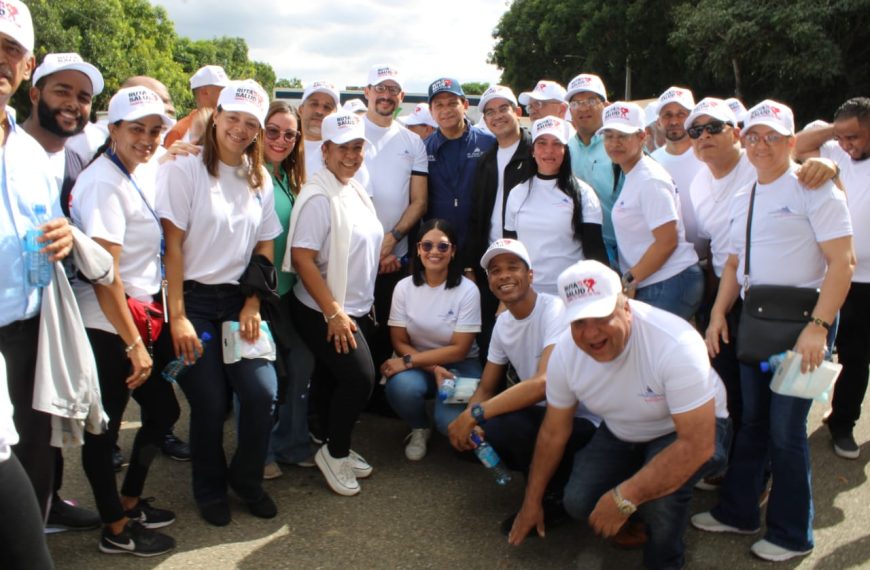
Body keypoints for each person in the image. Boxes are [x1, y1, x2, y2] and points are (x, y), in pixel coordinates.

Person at [692, 100, 854, 562]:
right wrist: (719, 313)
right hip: (756, 321)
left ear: (790, 141)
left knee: (786, 432)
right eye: (755, 136)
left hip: (804, 323)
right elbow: (731, 262)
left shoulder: (814, 187)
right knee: (754, 422)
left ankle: (791, 533)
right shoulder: (746, 195)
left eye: (773, 137)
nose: (762, 145)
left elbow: (843, 263)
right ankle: (738, 510)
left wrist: (818, 328)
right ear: (745, 139)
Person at [509, 260, 730, 570]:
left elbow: (698, 444)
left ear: (626, 306)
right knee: (577, 501)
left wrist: (625, 496)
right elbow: (553, 432)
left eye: (601, 316)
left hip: (685, 430)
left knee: (661, 503)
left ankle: (664, 558)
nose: (591, 333)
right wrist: (531, 502)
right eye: (578, 322)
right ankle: (636, 513)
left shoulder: (674, 343)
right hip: (621, 429)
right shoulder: (564, 355)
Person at [157, 79, 282, 526]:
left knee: (263, 392)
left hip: (238, 303)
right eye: (233, 118)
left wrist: (252, 304)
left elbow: (265, 247)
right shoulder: (184, 168)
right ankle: (209, 488)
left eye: (252, 123)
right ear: (217, 117)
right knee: (209, 403)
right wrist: (178, 317)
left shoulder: (258, 176)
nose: (241, 129)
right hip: (192, 301)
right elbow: (172, 247)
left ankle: (246, 481)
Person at [70, 85, 178, 556]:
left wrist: (180, 144)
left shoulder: (135, 168)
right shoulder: (102, 183)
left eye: (156, 131)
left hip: (133, 319)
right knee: (105, 429)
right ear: (112, 128)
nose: (148, 139)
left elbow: (182, 136)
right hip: (107, 325)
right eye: (137, 129)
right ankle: (115, 528)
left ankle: (128, 501)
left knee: (164, 411)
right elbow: (103, 274)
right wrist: (134, 344)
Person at [448, 239, 598, 534]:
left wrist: (475, 414)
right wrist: (468, 419)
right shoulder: (503, 325)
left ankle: (550, 495)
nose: (503, 275)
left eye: (513, 267)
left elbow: (545, 383)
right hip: (543, 416)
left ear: (531, 275)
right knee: (466, 438)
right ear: (489, 281)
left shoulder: (554, 309)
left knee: (509, 424)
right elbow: (487, 387)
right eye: (495, 270)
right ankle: (547, 478)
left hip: (582, 420)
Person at [20, 51, 103, 532]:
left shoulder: (74, 156)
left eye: (83, 97)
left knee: (45, 426)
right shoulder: (14, 152)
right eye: (61, 91)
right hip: (18, 315)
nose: (73, 104)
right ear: (34, 94)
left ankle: (47, 504)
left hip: (58, 306)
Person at [0, 0, 76, 522]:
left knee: (31, 457)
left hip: (28, 331)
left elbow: (49, 227)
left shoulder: (29, 151)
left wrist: (65, 237)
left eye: (11, 49)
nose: (1, 59)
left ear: (26, 65)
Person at [284, 112, 383, 497]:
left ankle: (330, 440)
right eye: (343, 147)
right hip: (321, 309)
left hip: (353, 306)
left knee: (335, 379)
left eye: (358, 147)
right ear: (324, 150)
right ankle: (335, 453)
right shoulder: (318, 197)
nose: (352, 155)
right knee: (360, 379)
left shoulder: (352, 187)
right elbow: (303, 257)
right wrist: (334, 313)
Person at [794, 96, 870, 459]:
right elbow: (796, 144)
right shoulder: (833, 150)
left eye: (854, 136)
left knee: (857, 355)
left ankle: (843, 423)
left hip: (868, 280)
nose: (846, 145)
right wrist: (836, 131)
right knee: (815, 350)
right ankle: (793, 424)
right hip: (830, 273)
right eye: (842, 137)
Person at [381, 219, 482, 459]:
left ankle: (442, 412)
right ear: (417, 249)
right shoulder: (404, 288)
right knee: (401, 387)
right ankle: (419, 427)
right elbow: (399, 341)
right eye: (427, 246)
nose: (434, 252)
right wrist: (433, 367)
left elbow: (459, 350)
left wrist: (408, 362)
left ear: (453, 251)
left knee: (448, 424)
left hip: (461, 364)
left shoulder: (468, 290)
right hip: (418, 362)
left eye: (442, 246)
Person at [600, 101, 702, 320]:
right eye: (609, 136)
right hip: (659, 281)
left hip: (669, 281)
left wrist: (630, 278)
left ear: (642, 137)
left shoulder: (649, 179)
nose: (615, 143)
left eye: (623, 135)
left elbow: (667, 242)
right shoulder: (635, 174)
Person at [260, 100, 315, 480]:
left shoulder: (287, 178)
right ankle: (260, 453)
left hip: (288, 294)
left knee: (300, 364)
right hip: (257, 295)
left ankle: (291, 444)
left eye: (290, 134)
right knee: (263, 375)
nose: (281, 140)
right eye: (273, 131)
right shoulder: (249, 174)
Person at [360, 64, 428, 373]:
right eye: (380, 88)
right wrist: (374, 248)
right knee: (351, 328)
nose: (386, 96)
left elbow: (419, 201)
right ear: (367, 92)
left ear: (401, 97)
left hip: (394, 258)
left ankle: (373, 397)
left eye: (393, 90)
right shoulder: (349, 131)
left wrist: (392, 240)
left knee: (386, 330)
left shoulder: (412, 142)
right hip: (355, 254)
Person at [465, 85, 534, 358]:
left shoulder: (535, 153)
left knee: (525, 335)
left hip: (526, 261)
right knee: (492, 335)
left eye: (503, 108)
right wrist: (472, 264)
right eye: (489, 112)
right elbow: (477, 215)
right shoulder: (486, 160)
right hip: (491, 260)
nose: (497, 116)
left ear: (517, 112)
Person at [504, 116, 608, 295]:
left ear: (565, 150)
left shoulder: (583, 193)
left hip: (572, 291)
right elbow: (510, 249)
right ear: (532, 150)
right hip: (528, 294)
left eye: (557, 144)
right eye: (542, 143)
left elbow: (595, 250)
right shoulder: (517, 193)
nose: (548, 151)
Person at [424, 77, 495, 250]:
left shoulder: (489, 143)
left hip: (482, 242)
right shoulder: (423, 148)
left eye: (452, 103)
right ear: (431, 111)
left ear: (465, 105)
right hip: (440, 247)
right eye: (439, 105)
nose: (446, 110)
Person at [564, 73, 622, 266]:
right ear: (569, 111)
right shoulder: (565, 150)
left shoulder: (622, 144)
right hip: (585, 249)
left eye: (591, 100)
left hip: (627, 249)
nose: (583, 108)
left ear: (606, 106)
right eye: (576, 103)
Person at [650, 87, 705, 258]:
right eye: (667, 115)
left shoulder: (708, 155)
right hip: (671, 264)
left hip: (713, 258)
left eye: (681, 114)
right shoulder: (651, 162)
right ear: (658, 122)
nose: (674, 121)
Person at [163, 65, 228, 147]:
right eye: (222, 89)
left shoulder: (230, 126)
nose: (226, 93)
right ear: (204, 92)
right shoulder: (178, 131)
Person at [298, 80, 340, 176]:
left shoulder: (342, 153)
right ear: (301, 109)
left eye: (327, 107)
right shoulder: (283, 146)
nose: (319, 111)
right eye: (314, 104)